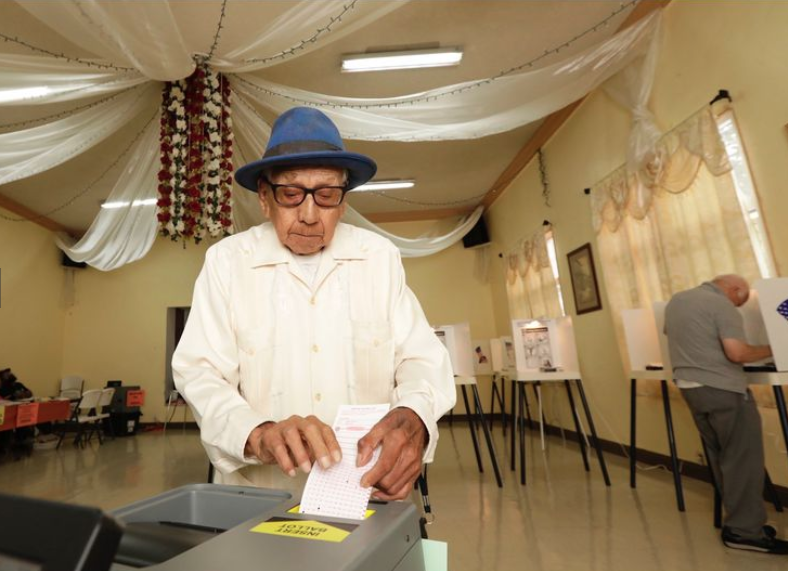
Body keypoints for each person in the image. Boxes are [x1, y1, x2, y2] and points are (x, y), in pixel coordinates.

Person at [173, 107, 455, 500]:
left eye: (326, 195)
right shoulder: (228, 262)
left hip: (365, 489)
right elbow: (200, 374)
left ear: (342, 204)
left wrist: (413, 420)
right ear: (265, 199)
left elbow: (422, 361)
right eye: (291, 194)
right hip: (259, 496)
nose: (309, 215)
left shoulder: (378, 257)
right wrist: (257, 434)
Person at [664, 274, 788, 554]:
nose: (738, 306)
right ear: (734, 289)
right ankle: (745, 532)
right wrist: (777, 348)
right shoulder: (721, 305)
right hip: (722, 388)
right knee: (743, 458)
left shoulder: (677, 301)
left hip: (690, 387)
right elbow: (737, 352)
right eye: (740, 301)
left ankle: (738, 522)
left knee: (722, 457)